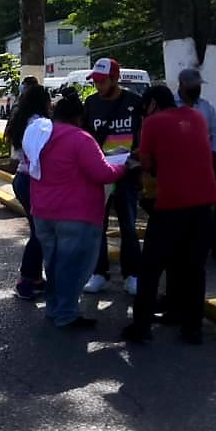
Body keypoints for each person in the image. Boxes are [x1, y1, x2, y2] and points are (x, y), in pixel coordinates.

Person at [123, 86, 216, 346]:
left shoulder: (153, 123)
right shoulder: (195, 117)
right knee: (192, 267)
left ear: (152, 104)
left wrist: (138, 159)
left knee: (151, 267)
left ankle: (141, 326)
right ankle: (191, 327)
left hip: (172, 204)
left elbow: (147, 164)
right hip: (205, 203)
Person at [31, 94, 128, 329]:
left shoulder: (38, 136)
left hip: (43, 212)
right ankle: (66, 313)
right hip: (76, 214)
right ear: (78, 117)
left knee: (53, 264)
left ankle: (54, 308)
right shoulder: (81, 139)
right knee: (73, 267)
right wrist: (123, 166)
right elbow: (102, 174)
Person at [81, 57, 143, 296]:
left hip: (127, 173)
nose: (98, 85)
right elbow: (85, 136)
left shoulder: (135, 102)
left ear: (115, 79)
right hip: (100, 173)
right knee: (99, 225)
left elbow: (143, 132)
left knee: (128, 225)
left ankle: (132, 275)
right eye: (95, 81)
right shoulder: (91, 103)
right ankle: (99, 273)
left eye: (102, 81)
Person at [175, 69, 216, 265]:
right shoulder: (171, 106)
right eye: (193, 85)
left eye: (198, 85)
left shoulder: (205, 107)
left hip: (206, 164)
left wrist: (215, 154)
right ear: (182, 84)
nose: (196, 89)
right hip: (180, 167)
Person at [6, 84, 53, 300]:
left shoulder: (19, 120)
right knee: (39, 232)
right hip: (32, 181)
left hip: (21, 179)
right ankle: (26, 279)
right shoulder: (39, 123)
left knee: (38, 230)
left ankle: (34, 278)